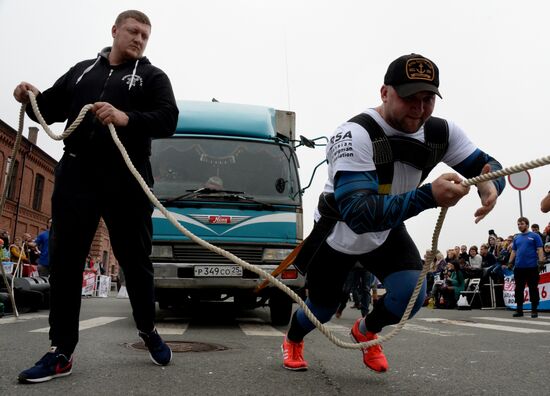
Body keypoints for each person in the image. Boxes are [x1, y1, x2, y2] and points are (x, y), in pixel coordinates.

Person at [281, 53, 504, 373]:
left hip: (387, 228)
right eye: (409, 96)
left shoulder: (441, 133)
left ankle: (366, 331)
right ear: (385, 92)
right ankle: (293, 339)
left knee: (411, 294)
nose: (419, 107)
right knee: (322, 309)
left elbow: (487, 165)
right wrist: (430, 195)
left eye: (428, 98)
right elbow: (359, 214)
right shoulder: (353, 135)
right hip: (340, 232)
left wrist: (490, 186)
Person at [13, 10, 179, 383]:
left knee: (135, 261)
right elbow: (50, 110)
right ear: (115, 30)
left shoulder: (152, 77)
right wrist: (28, 96)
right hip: (77, 175)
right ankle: (61, 351)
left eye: (145, 36)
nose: (139, 39)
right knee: (68, 261)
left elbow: (168, 118)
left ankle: (148, 329)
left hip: (127, 178)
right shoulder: (82, 72)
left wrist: (126, 118)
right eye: (133, 32)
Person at [508, 217, 544, 318]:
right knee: (518, 289)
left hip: (532, 267)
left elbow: (540, 249)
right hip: (519, 268)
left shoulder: (535, 236)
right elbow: (514, 251)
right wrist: (510, 263)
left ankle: (534, 310)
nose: (520, 226)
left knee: (533, 288)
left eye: (522, 224)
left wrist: (541, 262)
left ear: (527, 225)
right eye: (518, 224)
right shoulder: (517, 238)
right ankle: (519, 310)